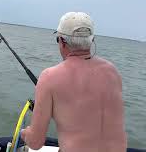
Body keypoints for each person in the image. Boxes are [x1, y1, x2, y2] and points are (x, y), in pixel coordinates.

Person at [21, 12, 127, 152]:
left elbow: (35, 143)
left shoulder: (49, 77)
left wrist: (26, 133)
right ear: (91, 40)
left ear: (62, 41)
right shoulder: (112, 72)